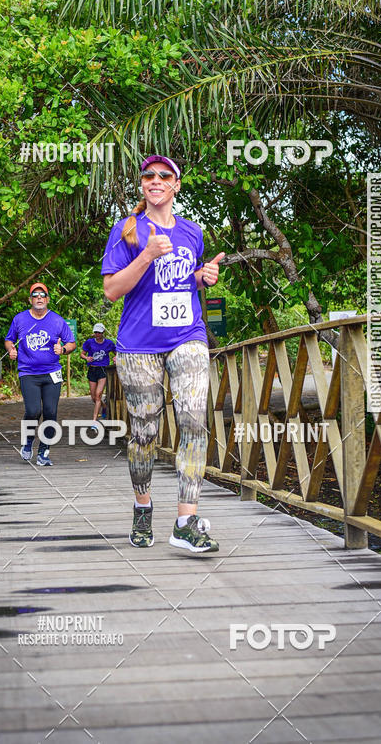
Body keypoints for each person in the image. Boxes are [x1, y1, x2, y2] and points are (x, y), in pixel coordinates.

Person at [101, 155, 225, 552]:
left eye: (164, 176)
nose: (156, 180)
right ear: (142, 185)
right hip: (138, 345)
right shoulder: (127, 230)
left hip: (188, 335)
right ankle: (143, 507)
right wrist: (146, 255)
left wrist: (203, 278)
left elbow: (184, 282)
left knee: (193, 419)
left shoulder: (193, 232)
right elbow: (112, 290)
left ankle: (186, 521)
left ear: (176, 184)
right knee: (145, 433)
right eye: (148, 176)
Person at [5, 282, 76, 466]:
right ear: (30, 299)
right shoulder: (20, 319)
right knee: (33, 410)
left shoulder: (57, 320)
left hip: (52, 372)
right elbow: (9, 340)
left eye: (42, 295)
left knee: (50, 412)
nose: (39, 298)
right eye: (35, 295)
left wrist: (63, 349)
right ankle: (28, 442)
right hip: (28, 373)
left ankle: (44, 452)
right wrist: (11, 349)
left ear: (47, 299)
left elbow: (72, 343)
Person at [81, 323, 116, 425]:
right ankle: (104, 407)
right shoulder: (89, 342)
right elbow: (82, 354)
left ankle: (94, 420)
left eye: (99, 332)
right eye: (95, 332)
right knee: (93, 397)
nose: (97, 334)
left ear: (103, 332)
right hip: (92, 369)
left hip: (103, 370)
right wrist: (87, 358)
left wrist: (115, 358)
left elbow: (116, 353)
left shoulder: (109, 343)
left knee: (98, 394)